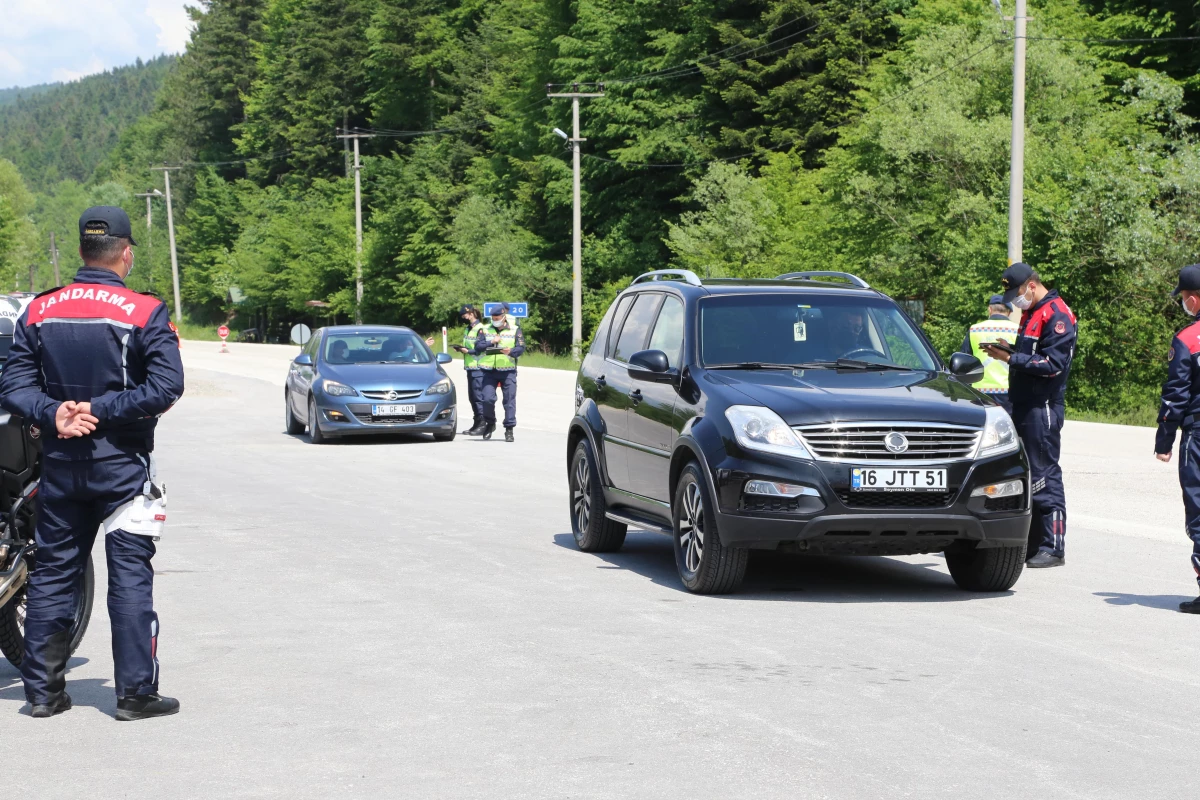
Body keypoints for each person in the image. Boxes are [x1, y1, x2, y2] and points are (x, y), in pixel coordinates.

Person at [0, 206, 185, 720]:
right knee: (129, 574)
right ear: (125, 252)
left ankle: (43, 695)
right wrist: (101, 411)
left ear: (82, 251)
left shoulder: (38, 310)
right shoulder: (144, 311)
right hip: (121, 465)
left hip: (60, 464)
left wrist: (56, 413)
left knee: (55, 573)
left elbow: (13, 386)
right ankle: (134, 695)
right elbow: (167, 386)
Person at [982, 262, 1076, 568]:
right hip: (1022, 405)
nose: (1013, 300)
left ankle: (1053, 546)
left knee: (1045, 474)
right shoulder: (1032, 313)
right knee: (1028, 474)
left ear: (1032, 286)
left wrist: (1010, 357)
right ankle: (1035, 543)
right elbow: (1031, 355)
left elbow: (1052, 365)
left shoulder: (1057, 314)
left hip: (1043, 406)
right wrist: (1008, 349)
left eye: (1017, 293)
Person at [1154, 264, 1200, 613]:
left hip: (1198, 436)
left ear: (1195, 300)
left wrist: (1164, 441)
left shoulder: (1187, 339)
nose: (1183, 303)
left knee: (1199, 513)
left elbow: (1175, 395)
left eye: (1184, 298)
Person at [473, 304, 524, 442]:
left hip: (508, 371)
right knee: (487, 399)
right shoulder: (485, 329)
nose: (495, 320)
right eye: (493, 318)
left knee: (509, 401)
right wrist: (491, 341)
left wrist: (511, 352)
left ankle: (509, 429)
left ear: (503, 317)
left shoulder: (515, 330)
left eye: (497, 318)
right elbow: (477, 347)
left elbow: (521, 348)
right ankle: (490, 423)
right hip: (488, 371)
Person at [960, 294, 1018, 414]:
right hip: (1010, 391)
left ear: (990, 309)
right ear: (1009, 312)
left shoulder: (975, 330)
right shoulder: (1018, 330)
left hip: (979, 391)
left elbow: (963, 362)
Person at [451, 305, 486, 435]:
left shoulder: (480, 329)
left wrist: (468, 351)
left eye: (464, 315)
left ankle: (483, 423)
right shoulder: (468, 329)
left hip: (479, 367)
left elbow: (482, 347)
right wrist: (461, 349)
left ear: (471, 313)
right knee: (472, 397)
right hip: (470, 367)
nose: (464, 318)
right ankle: (476, 422)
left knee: (478, 396)